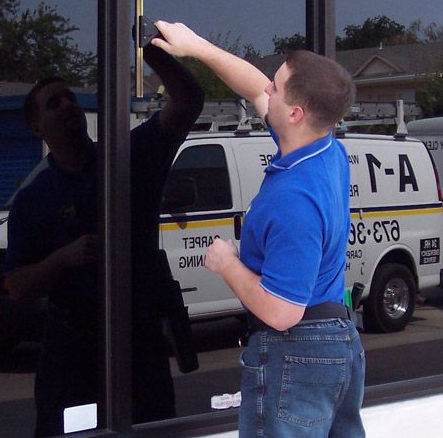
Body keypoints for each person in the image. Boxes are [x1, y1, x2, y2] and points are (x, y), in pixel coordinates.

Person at [152, 21, 365, 437]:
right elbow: (253, 86)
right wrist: (197, 46)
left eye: (277, 89)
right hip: (335, 344)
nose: (267, 91)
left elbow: (282, 312)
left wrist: (226, 263)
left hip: (298, 352)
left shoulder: (295, 200)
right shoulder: (324, 147)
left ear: (296, 113)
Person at [5, 41, 204, 436]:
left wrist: (151, 50)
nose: (67, 106)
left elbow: (188, 101)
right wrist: (62, 259)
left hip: (138, 343)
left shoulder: (129, 156)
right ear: (36, 128)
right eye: (53, 103)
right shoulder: (33, 199)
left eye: (70, 98)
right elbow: (17, 289)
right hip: (72, 353)